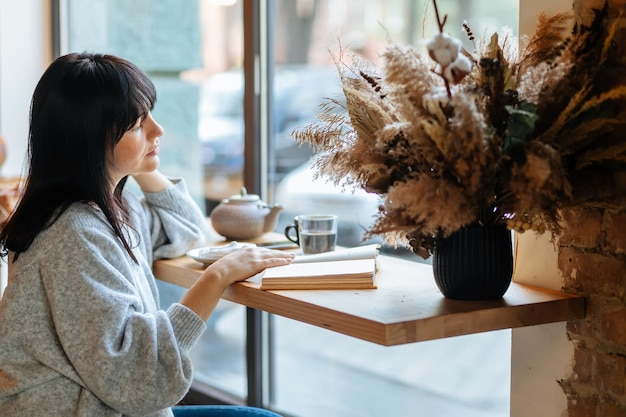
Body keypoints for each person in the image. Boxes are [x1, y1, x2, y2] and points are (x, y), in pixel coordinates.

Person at [0, 52, 294, 417]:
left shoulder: (112, 209)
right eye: (138, 124)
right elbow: (135, 377)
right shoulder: (72, 234)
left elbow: (187, 230)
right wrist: (218, 277)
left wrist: (141, 161)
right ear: (88, 138)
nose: (159, 130)